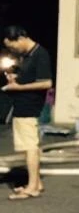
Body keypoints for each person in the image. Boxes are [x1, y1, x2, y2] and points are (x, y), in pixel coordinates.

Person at [3, 26, 52, 200]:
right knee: (29, 146)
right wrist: (15, 79)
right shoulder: (28, 55)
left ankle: (32, 188)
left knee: (30, 147)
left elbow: (46, 83)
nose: (12, 50)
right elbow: (29, 78)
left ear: (20, 38)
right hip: (23, 105)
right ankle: (36, 183)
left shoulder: (40, 54)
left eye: (12, 46)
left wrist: (18, 87)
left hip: (29, 107)